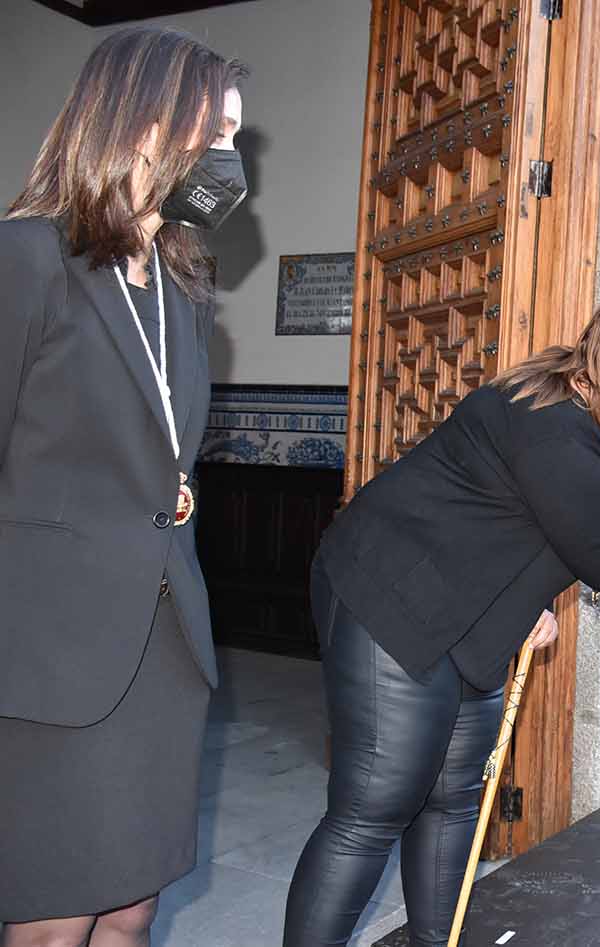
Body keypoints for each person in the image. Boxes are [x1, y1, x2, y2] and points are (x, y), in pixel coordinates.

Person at [284, 297, 600, 945]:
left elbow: (511, 515)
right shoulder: (557, 430)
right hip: (387, 598)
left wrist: (526, 595)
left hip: (464, 610)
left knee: (455, 794)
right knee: (373, 809)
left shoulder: (568, 408)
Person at [0, 29, 247, 947]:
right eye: (218, 129)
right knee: (54, 920)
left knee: (133, 908)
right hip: (49, 653)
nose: (231, 157)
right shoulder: (24, 258)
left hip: (162, 647)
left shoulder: (184, 289)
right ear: (144, 123)